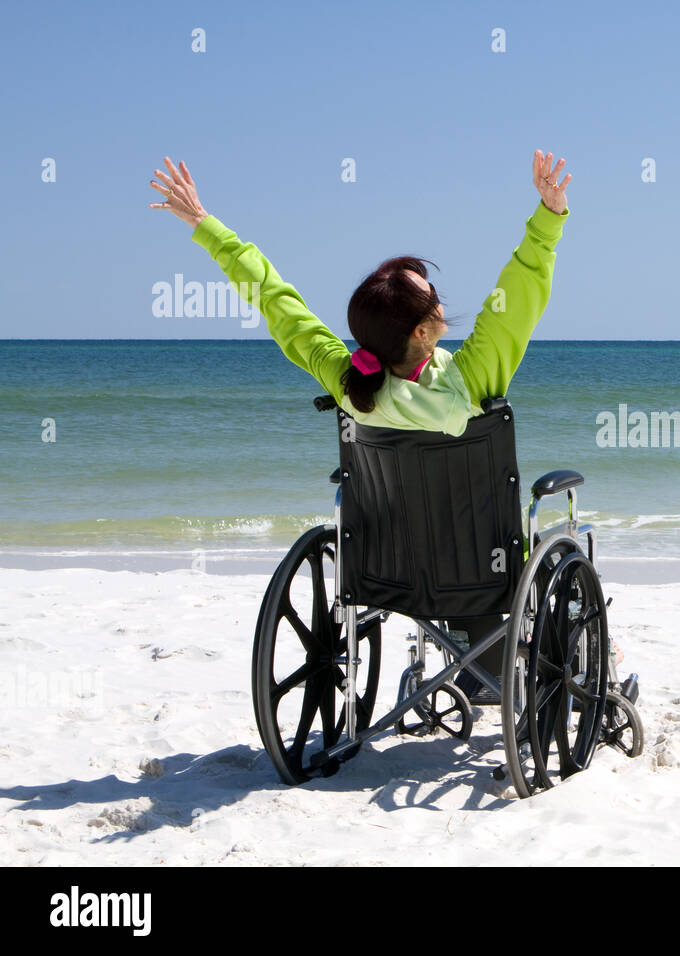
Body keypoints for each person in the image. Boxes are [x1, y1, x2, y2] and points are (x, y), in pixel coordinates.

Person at [149, 150, 572, 703]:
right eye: (434, 300)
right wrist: (548, 216)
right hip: (485, 573)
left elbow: (278, 303)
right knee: (561, 538)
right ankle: (506, 662)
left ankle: (468, 661)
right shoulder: (471, 382)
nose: (443, 303)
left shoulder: (345, 383)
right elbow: (519, 294)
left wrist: (207, 227)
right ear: (424, 332)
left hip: (388, 573)